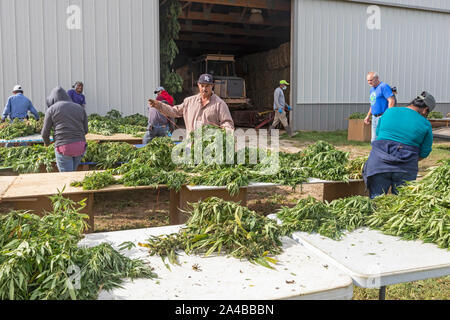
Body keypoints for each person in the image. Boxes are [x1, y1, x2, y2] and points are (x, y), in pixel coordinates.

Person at [363, 91, 436, 199]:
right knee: (401, 204)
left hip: (378, 163)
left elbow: (379, 134)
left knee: (376, 201)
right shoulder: (425, 124)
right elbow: (424, 152)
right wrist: (406, 158)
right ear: (425, 110)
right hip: (405, 168)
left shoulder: (389, 112)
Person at [149, 74, 234, 138]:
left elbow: (227, 123)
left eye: (207, 86)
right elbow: (174, 111)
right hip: (191, 146)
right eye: (202, 85)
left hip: (210, 147)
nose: (204, 89)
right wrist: (159, 105)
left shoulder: (220, 104)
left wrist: (226, 133)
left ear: (212, 86)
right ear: (198, 85)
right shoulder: (189, 102)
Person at [41, 86, 89, 172]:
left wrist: (47, 144)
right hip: (80, 146)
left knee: (67, 177)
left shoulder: (51, 109)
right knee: (72, 173)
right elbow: (86, 130)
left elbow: (45, 133)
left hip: (64, 147)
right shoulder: (80, 108)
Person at [364, 72, 396, 142]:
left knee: (381, 139)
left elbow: (391, 100)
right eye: (368, 80)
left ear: (377, 78)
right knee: (374, 140)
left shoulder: (383, 87)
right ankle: (375, 153)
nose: (369, 82)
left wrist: (388, 116)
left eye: (371, 80)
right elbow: (373, 104)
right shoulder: (372, 89)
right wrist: (368, 116)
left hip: (382, 117)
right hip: (374, 117)